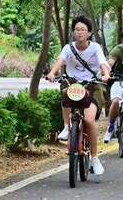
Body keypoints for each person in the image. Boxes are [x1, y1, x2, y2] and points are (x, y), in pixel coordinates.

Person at [46, 16, 110, 175]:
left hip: (93, 83)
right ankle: (67, 127)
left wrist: (106, 75)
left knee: (89, 120)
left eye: (83, 30)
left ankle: (95, 158)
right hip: (73, 82)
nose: (79, 32)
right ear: (73, 32)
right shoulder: (68, 48)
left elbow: (103, 63)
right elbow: (60, 61)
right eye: (77, 30)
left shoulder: (95, 47)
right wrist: (52, 73)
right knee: (65, 93)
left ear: (89, 33)